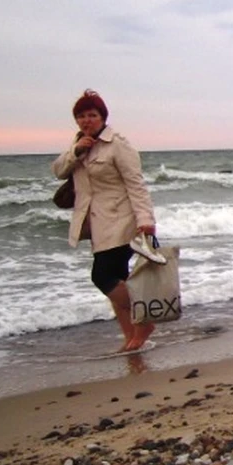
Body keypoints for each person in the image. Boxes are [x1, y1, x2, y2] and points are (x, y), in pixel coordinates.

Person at [52, 90, 157, 353]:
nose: (86, 120)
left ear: (102, 117)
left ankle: (144, 320)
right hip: (97, 225)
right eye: (81, 116)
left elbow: (136, 184)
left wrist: (146, 220)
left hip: (121, 221)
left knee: (102, 275)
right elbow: (58, 171)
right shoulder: (79, 144)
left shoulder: (118, 145)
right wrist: (76, 151)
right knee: (119, 277)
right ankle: (131, 338)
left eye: (92, 115)